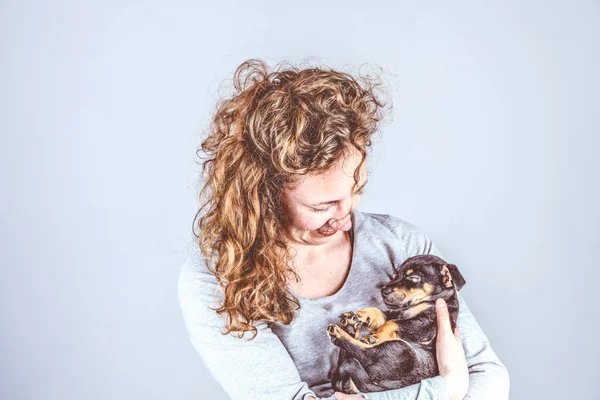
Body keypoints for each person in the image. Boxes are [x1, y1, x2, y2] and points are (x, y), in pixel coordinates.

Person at [178, 59, 510, 400]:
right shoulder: (219, 278)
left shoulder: (402, 245)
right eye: (322, 206)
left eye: (357, 189)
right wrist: (448, 386)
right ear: (265, 195)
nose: (348, 218)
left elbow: (488, 379)